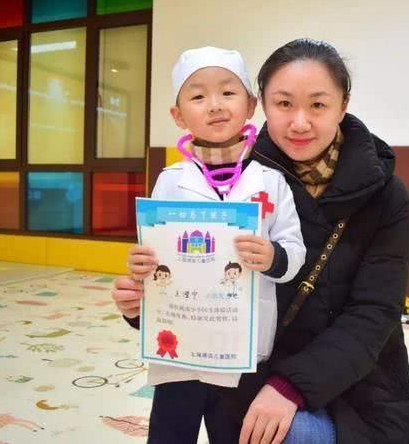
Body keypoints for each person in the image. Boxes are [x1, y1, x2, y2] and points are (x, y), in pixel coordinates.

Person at [113, 38, 409, 444]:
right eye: (284, 103)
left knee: (291, 433)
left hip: (357, 380)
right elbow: (188, 270)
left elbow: (374, 313)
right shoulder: (228, 178)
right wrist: (141, 302)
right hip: (252, 362)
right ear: (263, 106)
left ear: (343, 106)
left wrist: (291, 387)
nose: (299, 122)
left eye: (318, 104)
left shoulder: (382, 194)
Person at [118, 46, 306, 444]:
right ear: (178, 115)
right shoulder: (170, 180)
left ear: (251, 104)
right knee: (170, 434)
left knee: (234, 436)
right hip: (179, 349)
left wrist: (273, 257)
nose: (215, 105)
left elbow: (295, 251)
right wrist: (138, 270)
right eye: (198, 95)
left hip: (244, 348)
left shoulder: (271, 181)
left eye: (228, 92)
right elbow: (154, 261)